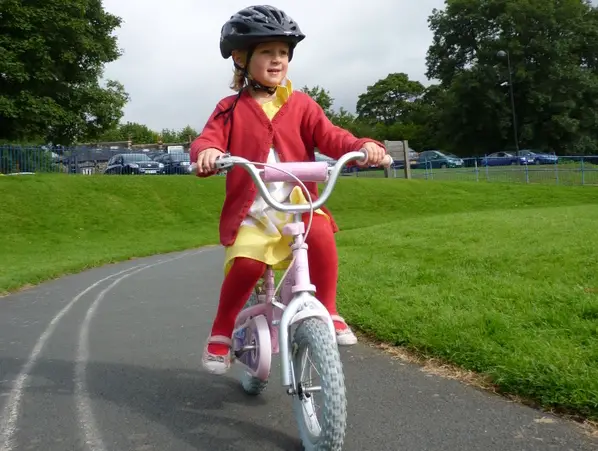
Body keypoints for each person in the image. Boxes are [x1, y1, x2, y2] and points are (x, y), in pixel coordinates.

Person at [190, 5, 388, 375]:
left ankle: (327, 309)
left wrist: (362, 147)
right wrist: (209, 152)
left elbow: (332, 136)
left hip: (298, 202)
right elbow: (207, 139)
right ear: (240, 58)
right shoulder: (229, 108)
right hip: (255, 208)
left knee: (323, 234)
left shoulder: (301, 104)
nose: (277, 60)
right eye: (267, 52)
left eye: (283, 52)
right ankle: (220, 331)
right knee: (247, 263)